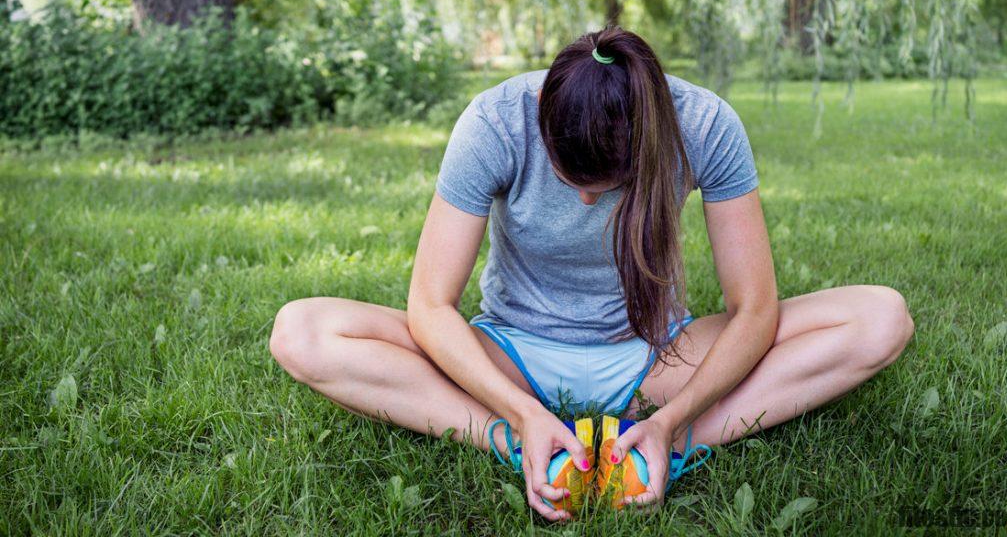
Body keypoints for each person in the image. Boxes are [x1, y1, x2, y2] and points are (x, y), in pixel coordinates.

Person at [268, 27, 914, 521]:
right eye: (567, 176)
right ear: (543, 120)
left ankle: (662, 442)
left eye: (605, 187)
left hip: (657, 358)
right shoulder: (495, 120)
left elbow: (755, 309)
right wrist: (516, 414)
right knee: (301, 332)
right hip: (512, 353)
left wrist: (672, 420)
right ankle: (521, 444)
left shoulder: (706, 125)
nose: (584, 201)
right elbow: (431, 304)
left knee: (881, 319)